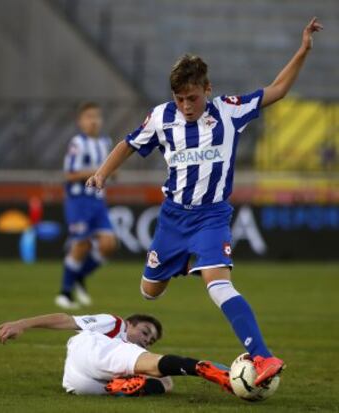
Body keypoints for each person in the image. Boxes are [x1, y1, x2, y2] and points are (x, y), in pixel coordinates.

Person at [86, 18, 323, 386]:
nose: (185, 106)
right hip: (172, 219)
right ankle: (172, 268)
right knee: (150, 293)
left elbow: (277, 90)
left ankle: (262, 357)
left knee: (219, 284)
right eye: (180, 99)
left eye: (192, 98)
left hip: (212, 216)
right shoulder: (162, 117)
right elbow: (128, 144)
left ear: (207, 89)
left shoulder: (229, 111)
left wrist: (303, 49)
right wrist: (102, 173)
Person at [0, 312, 232, 396]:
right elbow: (66, 320)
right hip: (90, 350)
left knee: (165, 381)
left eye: (150, 340)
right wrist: (23, 323)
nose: (146, 340)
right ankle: (205, 369)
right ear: (130, 324)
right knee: (161, 370)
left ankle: (123, 389)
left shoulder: (132, 350)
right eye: (145, 331)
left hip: (81, 385)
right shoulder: (114, 324)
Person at [56, 102, 117, 309]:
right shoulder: (77, 143)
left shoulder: (105, 143)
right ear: (80, 121)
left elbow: (112, 172)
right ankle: (64, 293)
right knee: (82, 244)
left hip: (98, 201)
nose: (94, 121)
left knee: (108, 244)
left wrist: (110, 173)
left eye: (97, 116)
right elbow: (70, 174)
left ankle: (78, 276)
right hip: (78, 201)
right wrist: (97, 171)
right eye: (89, 117)